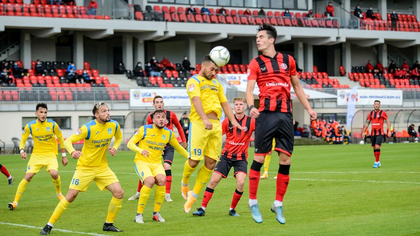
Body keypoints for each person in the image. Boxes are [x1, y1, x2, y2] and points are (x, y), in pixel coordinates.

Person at [245, 23, 317, 224]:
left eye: (261, 37)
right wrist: (251, 106)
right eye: (257, 37)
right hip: (266, 115)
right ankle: (252, 202)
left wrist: (309, 109)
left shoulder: (288, 60)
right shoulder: (255, 63)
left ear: (271, 39)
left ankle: (278, 203)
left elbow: (297, 87)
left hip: (285, 115)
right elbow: (249, 90)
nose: (257, 40)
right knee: (259, 159)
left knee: (286, 160)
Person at [40, 102, 124, 235]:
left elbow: (119, 137)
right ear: (96, 115)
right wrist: (72, 151)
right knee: (71, 196)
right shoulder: (87, 128)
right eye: (103, 111)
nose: (107, 113)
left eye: (108, 110)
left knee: (119, 193)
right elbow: (67, 141)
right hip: (85, 168)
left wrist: (115, 147)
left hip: (102, 168)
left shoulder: (114, 125)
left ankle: (108, 224)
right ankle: (49, 225)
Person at [181, 55, 242, 214]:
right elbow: (196, 101)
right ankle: (184, 183)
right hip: (200, 124)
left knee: (210, 163)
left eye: (216, 70)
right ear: (203, 66)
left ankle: (192, 198)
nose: (214, 72)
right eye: (212, 69)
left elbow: (225, 104)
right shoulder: (194, 81)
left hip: (215, 126)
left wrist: (234, 121)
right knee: (194, 161)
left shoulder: (216, 83)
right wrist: (203, 118)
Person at [192, 98, 255, 217]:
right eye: (236, 104)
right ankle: (202, 208)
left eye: (241, 104)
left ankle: (232, 209)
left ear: (245, 107)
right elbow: (217, 136)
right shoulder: (227, 121)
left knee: (241, 183)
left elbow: (262, 131)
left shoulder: (251, 122)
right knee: (213, 181)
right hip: (226, 157)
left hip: (241, 159)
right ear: (233, 107)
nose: (239, 106)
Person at [127, 109, 189, 223]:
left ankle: (156, 213)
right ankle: (139, 215)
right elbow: (130, 143)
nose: (161, 119)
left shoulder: (168, 133)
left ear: (166, 120)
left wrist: (189, 156)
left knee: (161, 180)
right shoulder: (144, 129)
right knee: (149, 181)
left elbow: (178, 147)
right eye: (158, 117)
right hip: (142, 161)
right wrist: (140, 150)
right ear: (153, 120)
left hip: (156, 163)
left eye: (163, 117)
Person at [8, 103, 67, 211]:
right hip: (36, 155)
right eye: (41, 112)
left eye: (45, 112)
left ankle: (59, 193)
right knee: (28, 176)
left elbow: (61, 140)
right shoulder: (30, 126)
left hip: (50, 155)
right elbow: (23, 141)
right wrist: (22, 151)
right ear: (36, 113)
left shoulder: (53, 125)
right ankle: (15, 202)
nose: (43, 115)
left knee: (54, 174)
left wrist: (64, 155)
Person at [361, 100, 391, 168]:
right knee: (374, 147)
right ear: (373, 105)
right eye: (375, 104)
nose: (376, 105)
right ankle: (378, 161)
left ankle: (376, 162)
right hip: (373, 133)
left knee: (377, 146)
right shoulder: (371, 113)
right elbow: (367, 122)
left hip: (380, 133)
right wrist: (364, 131)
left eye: (378, 104)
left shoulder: (383, 112)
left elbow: (387, 121)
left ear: (379, 105)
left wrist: (389, 131)